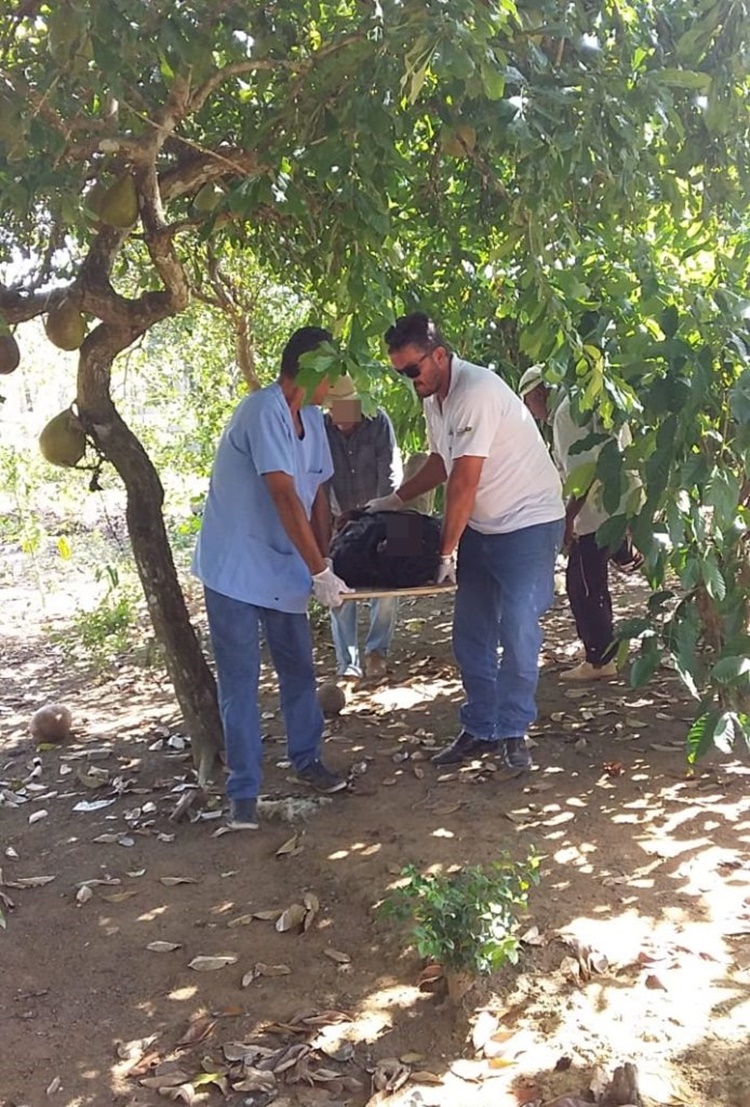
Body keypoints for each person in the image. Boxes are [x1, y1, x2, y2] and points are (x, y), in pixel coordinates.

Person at [367, 312, 565, 770]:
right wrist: (394, 500)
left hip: (529, 522)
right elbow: (441, 461)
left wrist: (445, 551)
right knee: (470, 633)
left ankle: (514, 730)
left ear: (439, 355)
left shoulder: (475, 392)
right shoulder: (433, 394)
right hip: (483, 525)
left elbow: (463, 483)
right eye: (400, 373)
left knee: (517, 625)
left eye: (412, 369)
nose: (407, 379)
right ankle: (481, 727)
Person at [192, 327, 352, 830]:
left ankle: (306, 761)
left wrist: (326, 562)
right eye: (330, 371)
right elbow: (284, 495)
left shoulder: (312, 419)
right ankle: (243, 794)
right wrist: (318, 569)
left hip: (285, 565)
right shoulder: (261, 410)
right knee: (240, 682)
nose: (337, 383)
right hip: (236, 567)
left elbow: (317, 494)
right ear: (309, 370)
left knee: (299, 672)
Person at [519, 365, 642, 682]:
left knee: (584, 584)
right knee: (590, 578)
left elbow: (584, 471)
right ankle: (627, 553)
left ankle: (600, 660)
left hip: (597, 510)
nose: (532, 413)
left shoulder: (564, 414)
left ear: (538, 393)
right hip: (617, 500)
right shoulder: (583, 400)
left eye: (528, 403)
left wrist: (568, 519)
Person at [323, 375, 402, 682]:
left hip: (377, 516)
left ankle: (377, 651)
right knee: (339, 589)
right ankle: (348, 663)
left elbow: (391, 474)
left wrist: (374, 514)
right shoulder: (321, 428)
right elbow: (319, 479)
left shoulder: (378, 421)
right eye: (334, 409)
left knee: (386, 587)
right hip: (337, 519)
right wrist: (334, 520)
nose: (338, 415)